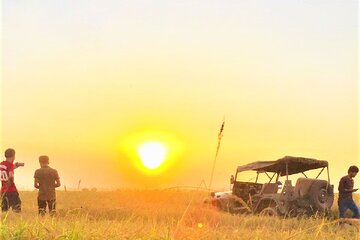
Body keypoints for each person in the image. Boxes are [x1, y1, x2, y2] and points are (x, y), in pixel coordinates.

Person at [0, 148, 23, 212]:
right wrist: (9, 183)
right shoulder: (10, 165)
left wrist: (15, 166)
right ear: (13, 156)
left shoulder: (1, 164)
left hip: (3, 191)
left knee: (4, 211)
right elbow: (10, 176)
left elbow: (7, 169)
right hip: (11, 191)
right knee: (16, 210)